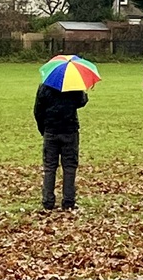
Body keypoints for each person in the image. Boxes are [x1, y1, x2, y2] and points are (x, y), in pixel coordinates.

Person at [34, 82, 89, 210]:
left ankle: (48, 201)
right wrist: (83, 92)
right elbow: (81, 101)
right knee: (69, 166)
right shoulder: (74, 85)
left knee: (50, 167)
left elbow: (38, 111)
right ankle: (68, 201)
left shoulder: (44, 87)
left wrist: (43, 129)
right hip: (69, 130)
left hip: (51, 130)